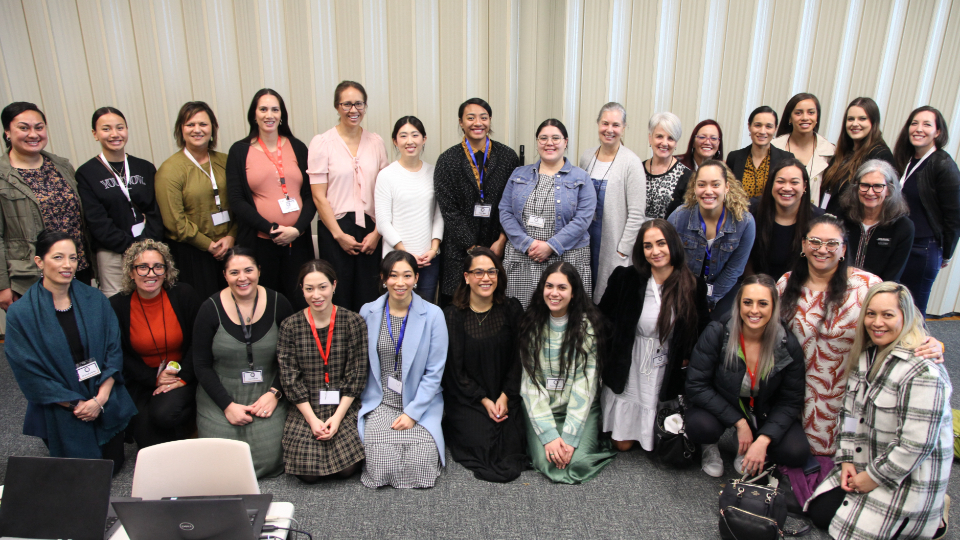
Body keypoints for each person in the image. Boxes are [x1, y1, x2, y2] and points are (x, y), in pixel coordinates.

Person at [777, 214, 942, 456]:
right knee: (795, 454)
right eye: (815, 241)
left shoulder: (866, 285)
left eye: (832, 243)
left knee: (847, 456)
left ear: (843, 249)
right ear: (803, 245)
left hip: (850, 392)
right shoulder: (786, 284)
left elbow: (903, 322)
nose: (823, 249)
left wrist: (932, 343)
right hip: (795, 391)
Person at [806, 282, 952, 540]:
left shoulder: (924, 371)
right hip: (866, 458)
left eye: (888, 315)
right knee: (820, 512)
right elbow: (849, 416)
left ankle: (936, 516)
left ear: (906, 316)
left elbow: (915, 445)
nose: (877, 323)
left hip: (906, 474)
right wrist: (847, 458)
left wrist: (873, 477)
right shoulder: (866, 356)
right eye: (871, 314)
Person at [5, 231, 136, 473]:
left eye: (73, 258)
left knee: (112, 466)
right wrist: (77, 404)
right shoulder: (20, 314)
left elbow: (114, 351)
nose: (67, 265)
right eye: (58, 257)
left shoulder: (95, 299)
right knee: (82, 473)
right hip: (62, 404)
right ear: (39, 262)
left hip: (102, 393)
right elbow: (29, 374)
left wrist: (100, 398)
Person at [598, 219, 708, 452]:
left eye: (661, 243)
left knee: (661, 442)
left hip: (666, 363)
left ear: (674, 245)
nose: (655, 251)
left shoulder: (692, 285)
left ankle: (655, 429)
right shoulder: (624, 278)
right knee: (622, 444)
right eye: (648, 246)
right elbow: (602, 317)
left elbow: (701, 330)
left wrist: (687, 356)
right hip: (630, 359)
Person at [686, 274, 809, 478]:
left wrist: (764, 439)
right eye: (747, 302)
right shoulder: (717, 331)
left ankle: (747, 443)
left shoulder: (787, 344)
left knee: (796, 452)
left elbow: (790, 400)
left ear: (774, 307)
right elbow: (696, 385)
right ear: (738, 304)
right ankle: (710, 446)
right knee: (700, 427)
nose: (754, 310)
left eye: (762, 303)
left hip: (761, 409)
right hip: (721, 403)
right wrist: (740, 423)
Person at [192, 247, 292, 478]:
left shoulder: (280, 303)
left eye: (248, 270)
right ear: (225, 276)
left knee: (268, 455)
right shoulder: (209, 309)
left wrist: (275, 393)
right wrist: (227, 405)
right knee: (222, 461)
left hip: (268, 390)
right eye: (234, 272)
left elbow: (291, 359)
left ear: (259, 271)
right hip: (220, 394)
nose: (242, 278)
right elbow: (201, 364)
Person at [519, 261, 616, 484]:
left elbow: (586, 384)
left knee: (578, 464)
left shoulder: (587, 327)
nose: (554, 293)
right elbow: (530, 384)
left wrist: (570, 438)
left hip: (579, 409)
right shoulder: (531, 325)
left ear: (573, 293)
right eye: (549, 286)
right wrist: (549, 436)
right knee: (548, 463)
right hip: (542, 409)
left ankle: (581, 442)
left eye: (562, 288)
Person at [357, 251, 448, 488]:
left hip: (420, 402)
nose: (400, 283)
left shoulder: (433, 315)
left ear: (416, 278)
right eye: (393, 275)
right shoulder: (368, 312)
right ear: (383, 278)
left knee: (421, 461)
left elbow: (434, 373)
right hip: (381, 400)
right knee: (380, 462)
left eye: (407, 275)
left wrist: (413, 413)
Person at [277, 259, 368, 482]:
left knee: (346, 469)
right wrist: (312, 420)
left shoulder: (353, 321)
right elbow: (289, 378)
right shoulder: (290, 326)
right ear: (302, 290)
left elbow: (356, 374)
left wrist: (337, 418)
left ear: (334, 286)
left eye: (322, 287)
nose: (316, 295)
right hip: (306, 404)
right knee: (307, 474)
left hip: (343, 403)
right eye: (309, 289)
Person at [441, 247, 527, 482]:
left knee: (512, 444)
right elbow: (455, 372)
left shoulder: (512, 309)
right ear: (466, 277)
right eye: (478, 272)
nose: (486, 278)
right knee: (482, 444)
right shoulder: (452, 315)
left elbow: (519, 360)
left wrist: (505, 397)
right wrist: (484, 399)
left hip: (506, 394)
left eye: (492, 271)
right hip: (469, 398)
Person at [226, 89, 316, 310]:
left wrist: (297, 229)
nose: (269, 115)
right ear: (253, 115)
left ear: (281, 114)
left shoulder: (297, 147)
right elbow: (237, 200)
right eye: (263, 109)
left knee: (301, 299)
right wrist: (272, 228)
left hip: (298, 241)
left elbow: (311, 195)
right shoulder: (240, 151)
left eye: (275, 109)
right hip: (261, 242)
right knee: (267, 303)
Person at [0, 102, 94, 309]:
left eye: (39, 127)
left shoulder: (62, 166)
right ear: (7, 132)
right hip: (29, 277)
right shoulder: (2, 176)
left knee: (79, 332)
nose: (33, 134)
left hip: (76, 269)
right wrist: (2, 285)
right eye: (24, 128)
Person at [109, 239, 200, 449]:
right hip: (142, 379)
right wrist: (154, 378)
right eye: (142, 267)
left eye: (158, 267)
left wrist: (183, 377)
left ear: (167, 271)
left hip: (183, 376)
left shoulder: (184, 295)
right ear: (131, 272)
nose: (151, 273)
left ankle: (192, 416)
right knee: (147, 441)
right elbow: (120, 354)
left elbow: (199, 341)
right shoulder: (116, 306)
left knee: (164, 415)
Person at [307, 81, 389, 312]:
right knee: (338, 291)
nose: (354, 110)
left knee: (369, 293)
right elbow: (318, 196)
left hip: (370, 229)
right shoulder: (322, 143)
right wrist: (338, 235)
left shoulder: (376, 142)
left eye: (359, 104)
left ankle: (368, 344)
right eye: (347, 104)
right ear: (337, 106)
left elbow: (384, 192)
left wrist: (377, 233)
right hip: (336, 227)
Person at [500, 119, 596, 308]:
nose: (549, 143)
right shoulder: (519, 174)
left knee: (566, 317)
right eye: (543, 138)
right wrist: (528, 244)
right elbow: (505, 211)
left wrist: (551, 246)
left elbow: (583, 219)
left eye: (555, 138)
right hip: (524, 256)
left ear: (566, 141)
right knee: (521, 315)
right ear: (537, 142)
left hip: (566, 257)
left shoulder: (581, 177)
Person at [434, 98, 520, 306]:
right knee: (457, 305)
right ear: (461, 122)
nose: (477, 123)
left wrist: (501, 240)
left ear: (490, 121)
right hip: (458, 249)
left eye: (483, 117)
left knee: (494, 303)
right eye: (470, 118)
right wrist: (472, 246)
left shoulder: (507, 157)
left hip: (497, 245)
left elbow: (514, 203)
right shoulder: (447, 160)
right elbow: (448, 209)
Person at [76, 107, 164, 297]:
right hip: (112, 254)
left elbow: (156, 210)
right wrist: (132, 247)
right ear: (95, 134)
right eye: (106, 129)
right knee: (118, 303)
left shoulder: (145, 167)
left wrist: (146, 245)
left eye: (120, 128)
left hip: (149, 250)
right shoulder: (87, 173)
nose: (115, 134)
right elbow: (96, 220)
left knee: (152, 299)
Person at [155, 101, 237, 300]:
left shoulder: (227, 161)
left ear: (212, 129)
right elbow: (175, 222)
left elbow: (242, 203)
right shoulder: (170, 170)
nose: (197, 130)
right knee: (204, 307)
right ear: (180, 130)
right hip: (193, 254)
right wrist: (209, 245)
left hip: (231, 248)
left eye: (203, 124)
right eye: (190, 124)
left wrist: (232, 237)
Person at [892, 105, 960, 317]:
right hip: (902, 243)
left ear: (937, 132)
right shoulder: (907, 159)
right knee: (893, 309)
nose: (918, 129)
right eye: (914, 123)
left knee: (913, 314)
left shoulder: (942, 164)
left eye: (927, 124)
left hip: (924, 248)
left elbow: (954, 214)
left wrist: (946, 253)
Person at [667, 159, 755, 318]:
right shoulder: (678, 217)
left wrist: (709, 300)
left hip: (723, 288)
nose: (708, 191)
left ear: (727, 187)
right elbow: (670, 263)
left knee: (718, 323)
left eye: (715, 185)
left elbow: (734, 269)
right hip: (684, 286)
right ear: (694, 188)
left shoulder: (745, 222)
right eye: (701, 185)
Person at [578, 102, 646, 301]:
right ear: (598, 124)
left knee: (607, 299)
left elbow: (636, 214)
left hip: (612, 245)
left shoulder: (631, 162)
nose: (609, 130)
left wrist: (622, 250)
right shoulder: (587, 156)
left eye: (616, 125)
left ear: (623, 128)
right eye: (605, 123)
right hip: (585, 241)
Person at [374, 116, 443, 303]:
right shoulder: (386, 175)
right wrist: (404, 253)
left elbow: (438, 215)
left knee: (425, 308)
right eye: (403, 136)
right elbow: (382, 222)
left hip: (428, 259)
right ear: (395, 141)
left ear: (424, 139)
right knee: (396, 309)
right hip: (396, 260)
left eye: (415, 135)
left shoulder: (434, 172)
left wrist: (434, 249)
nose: (410, 141)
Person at [747, 158, 824, 280]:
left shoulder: (819, 220)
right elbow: (744, 259)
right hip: (756, 286)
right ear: (771, 184)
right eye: (781, 181)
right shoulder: (752, 212)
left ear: (804, 186)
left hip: (798, 287)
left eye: (794, 182)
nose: (787, 188)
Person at [819, 97, 896, 215]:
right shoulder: (843, 153)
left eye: (862, 119)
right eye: (850, 119)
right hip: (831, 222)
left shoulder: (880, 155)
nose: (855, 124)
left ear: (873, 122)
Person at [840, 160, 914, 282]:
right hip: (839, 289)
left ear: (889, 190)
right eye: (864, 185)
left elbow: (892, 277)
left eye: (878, 186)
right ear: (856, 187)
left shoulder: (903, 227)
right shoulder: (843, 218)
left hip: (878, 294)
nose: (870, 192)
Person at [771, 93, 835, 203]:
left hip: (813, 215)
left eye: (811, 112)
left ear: (817, 117)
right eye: (798, 113)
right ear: (790, 118)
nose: (805, 118)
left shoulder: (830, 151)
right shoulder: (773, 147)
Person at [725, 106, 795, 197]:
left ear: (775, 129)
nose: (762, 131)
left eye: (768, 126)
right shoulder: (734, 157)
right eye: (757, 125)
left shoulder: (786, 158)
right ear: (749, 127)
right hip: (739, 211)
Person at [643, 112, 692, 219]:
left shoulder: (687, 177)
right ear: (650, 138)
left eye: (670, 138)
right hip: (635, 235)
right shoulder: (637, 169)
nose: (664, 143)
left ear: (676, 143)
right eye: (659, 136)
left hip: (668, 235)